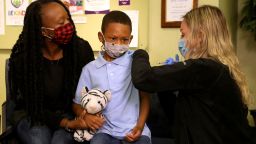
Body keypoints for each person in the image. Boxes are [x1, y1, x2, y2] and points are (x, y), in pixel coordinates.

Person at [131, 5, 256, 144]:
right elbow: (179, 119)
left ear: (200, 36)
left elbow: (142, 78)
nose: (180, 40)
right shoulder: (222, 70)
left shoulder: (204, 69)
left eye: (183, 34)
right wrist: (167, 85)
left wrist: (139, 53)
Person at [8, 0, 97, 143]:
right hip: (33, 114)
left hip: (70, 113)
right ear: (43, 31)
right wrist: (65, 124)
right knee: (39, 140)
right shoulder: (24, 59)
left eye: (68, 18)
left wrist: (75, 119)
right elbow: (32, 105)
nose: (68, 25)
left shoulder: (80, 50)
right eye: (61, 23)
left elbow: (88, 92)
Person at [73, 10, 151, 144]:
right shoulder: (89, 69)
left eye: (124, 39)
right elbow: (77, 104)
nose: (119, 44)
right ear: (101, 37)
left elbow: (145, 98)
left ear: (130, 39)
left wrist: (139, 126)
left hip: (135, 130)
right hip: (104, 131)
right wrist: (86, 116)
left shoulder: (136, 63)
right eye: (113, 38)